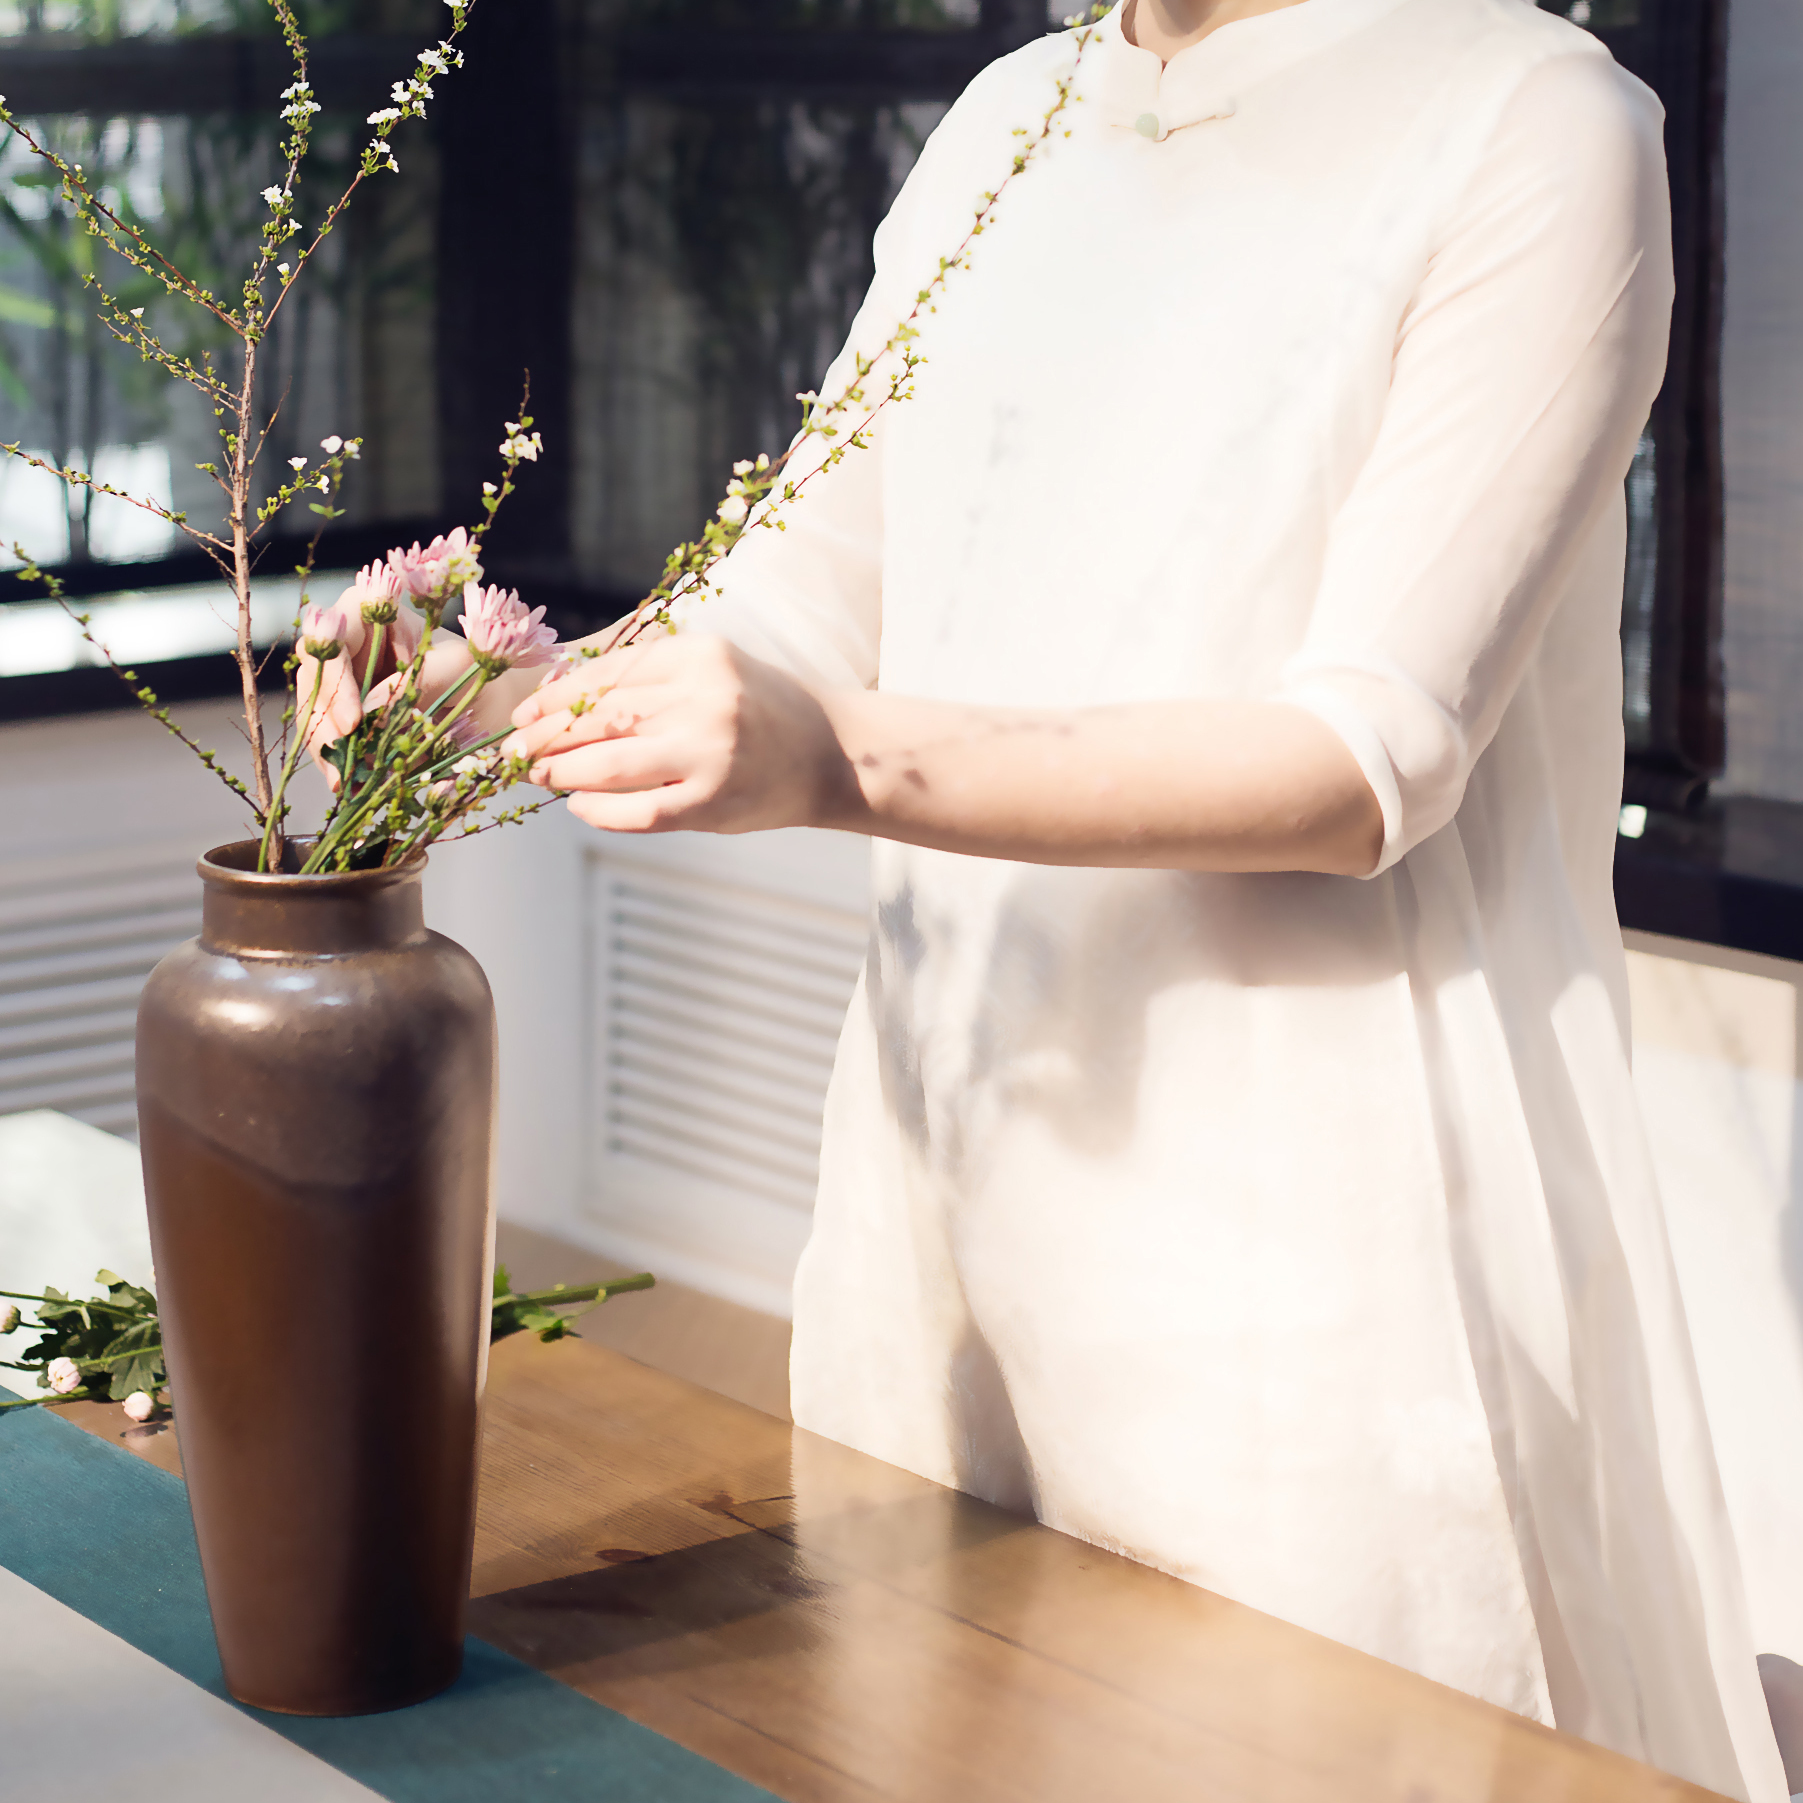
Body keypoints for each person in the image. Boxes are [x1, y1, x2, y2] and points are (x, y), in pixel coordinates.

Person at [319, 0, 1796, 1795]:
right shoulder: (1013, 117)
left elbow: (1364, 762)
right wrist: (493, 693)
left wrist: (841, 762)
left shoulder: (1538, 117)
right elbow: (790, 609)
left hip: (1309, 1225)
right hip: (953, 1155)